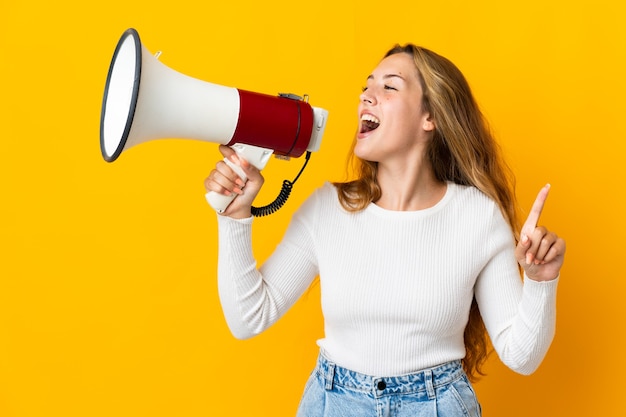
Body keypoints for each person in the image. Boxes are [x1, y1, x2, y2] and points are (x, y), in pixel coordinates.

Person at [204, 44, 565, 417]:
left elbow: (521, 356)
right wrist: (234, 216)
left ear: (431, 116)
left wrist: (541, 280)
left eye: (389, 87)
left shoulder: (477, 217)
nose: (366, 95)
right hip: (333, 403)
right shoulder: (328, 208)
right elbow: (249, 318)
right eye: (366, 86)